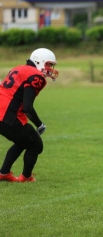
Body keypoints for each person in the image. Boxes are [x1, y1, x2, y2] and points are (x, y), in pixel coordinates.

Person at [0, 48, 58, 182]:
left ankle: (4, 173)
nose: (50, 68)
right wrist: (39, 124)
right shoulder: (35, 75)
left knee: (23, 139)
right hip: (8, 114)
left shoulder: (19, 68)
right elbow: (27, 107)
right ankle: (26, 177)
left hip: (3, 111)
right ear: (39, 61)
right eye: (48, 64)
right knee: (35, 144)